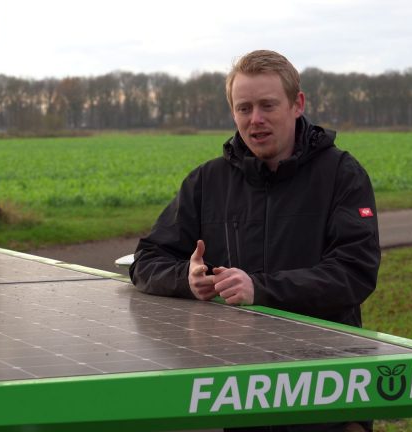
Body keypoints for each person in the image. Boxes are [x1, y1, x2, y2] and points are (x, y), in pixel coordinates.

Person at [129, 50, 380, 432]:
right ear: (232, 112)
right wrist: (187, 277)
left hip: (327, 390)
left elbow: (355, 272)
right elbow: (146, 259)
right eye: (244, 108)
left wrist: (259, 288)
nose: (255, 120)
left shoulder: (341, 174)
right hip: (240, 390)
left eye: (267, 105)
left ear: (297, 104)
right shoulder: (206, 182)